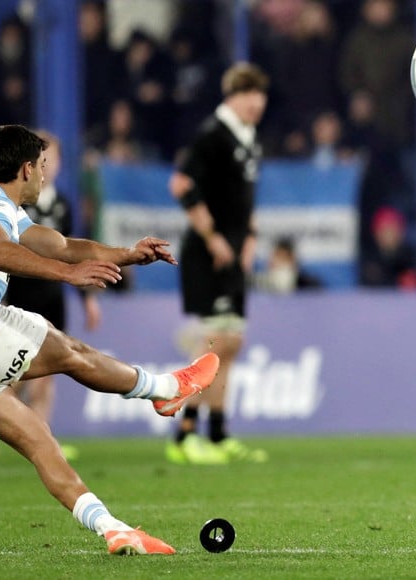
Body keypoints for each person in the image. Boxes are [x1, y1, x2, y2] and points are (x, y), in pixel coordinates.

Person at [0, 124, 219, 555]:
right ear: (25, 169)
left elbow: (61, 245)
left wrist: (127, 255)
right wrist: (68, 275)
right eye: (42, 165)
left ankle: (113, 529)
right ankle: (166, 390)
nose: (44, 174)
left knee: (38, 437)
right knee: (70, 351)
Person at [0, 130, 100, 461]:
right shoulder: (14, 203)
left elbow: (70, 252)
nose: (49, 166)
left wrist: (87, 299)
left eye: (53, 159)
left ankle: (44, 441)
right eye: (44, 160)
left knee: (48, 373)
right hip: (22, 293)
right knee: (19, 370)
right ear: (28, 166)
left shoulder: (62, 204)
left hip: (53, 295)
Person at [167, 62, 270, 465]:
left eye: (260, 96)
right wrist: (212, 237)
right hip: (208, 254)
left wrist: (250, 238)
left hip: (235, 253)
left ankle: (218, 433)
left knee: (232, 344)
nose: (256, 103)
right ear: (233, 97)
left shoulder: (249, 139)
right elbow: (181, 184)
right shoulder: (213, 135)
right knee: (212, 344)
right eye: (249, 95)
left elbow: (246, 198)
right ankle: (184, 434)